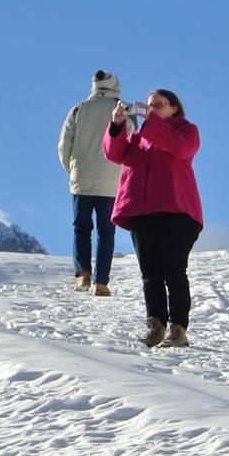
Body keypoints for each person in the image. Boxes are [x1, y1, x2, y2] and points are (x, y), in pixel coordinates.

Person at [103, 89, 202, 348]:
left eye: (159, 104)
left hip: (177, 211)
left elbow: (181, 148)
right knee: (150, 273)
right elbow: (114, 153)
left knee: (174, 270)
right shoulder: (138, 137)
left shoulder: (187, 131)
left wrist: (152, 121)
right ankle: (156, 325)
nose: (152, 109)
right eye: (150, 105)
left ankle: (178, 328)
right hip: (142, 212)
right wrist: (117, 124)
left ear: (174, 108)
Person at [57, 70, 132, 295]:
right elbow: (131, 143)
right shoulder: (122, 110)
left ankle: (82, 275)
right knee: (106, 232)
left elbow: (64, 144)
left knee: (81, 228)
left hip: (82, 178)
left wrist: (72, 169)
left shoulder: (79, 109)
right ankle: (101, 283)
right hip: (112, 180)